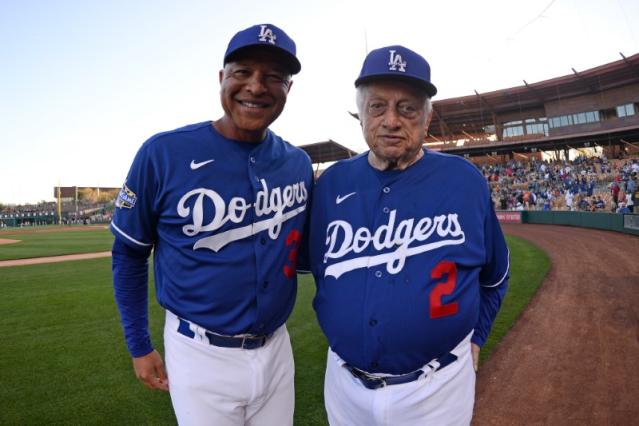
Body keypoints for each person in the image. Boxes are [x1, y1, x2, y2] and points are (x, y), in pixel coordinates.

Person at [110, 23, 312, 426]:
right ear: (222, 78)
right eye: (242, 72)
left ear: (288, 89)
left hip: (277, 349)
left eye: (274, 76)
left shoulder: (298, 164)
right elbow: (128, 254)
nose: (256, 87)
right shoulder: (162, 153)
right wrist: (138, 344)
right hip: (199, 354)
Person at [307, 45, 510, 425]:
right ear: (361, 114)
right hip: (344, 386)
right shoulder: (330, 184)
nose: (391, 120)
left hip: (437, 390)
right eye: (377, 106)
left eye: (407, 108)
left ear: (427, 118)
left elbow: (495, 277)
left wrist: (479, 336)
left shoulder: (465, 181)